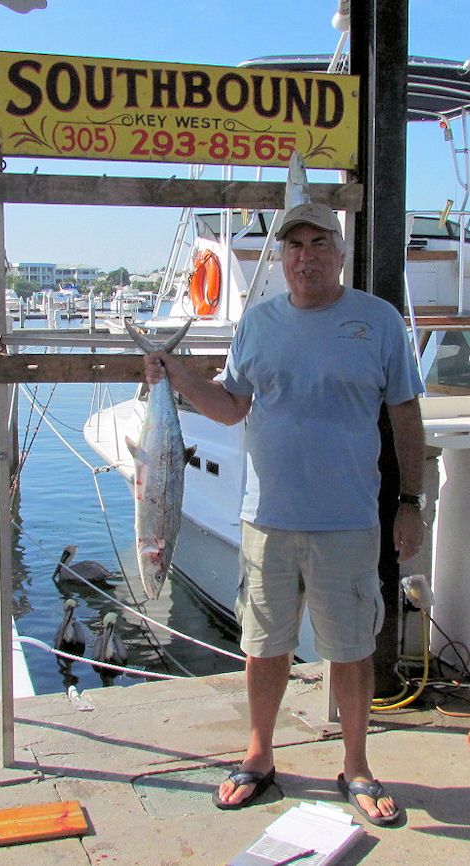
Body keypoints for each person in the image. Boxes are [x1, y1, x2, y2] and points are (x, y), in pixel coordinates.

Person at [143, 202, 425, 825]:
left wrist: (411, 503)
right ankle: (259, 756)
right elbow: (229, 407)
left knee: (351, 651)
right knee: (263, 646)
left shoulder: (378, 322)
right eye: (293, 244)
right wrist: (175, 375)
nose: (305, 255)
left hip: (350, 520)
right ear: (281, 258)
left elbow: (407, 416)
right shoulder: (258, 323)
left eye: (318, 242)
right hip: (265, 519)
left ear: (339, 252)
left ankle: (356, 766)